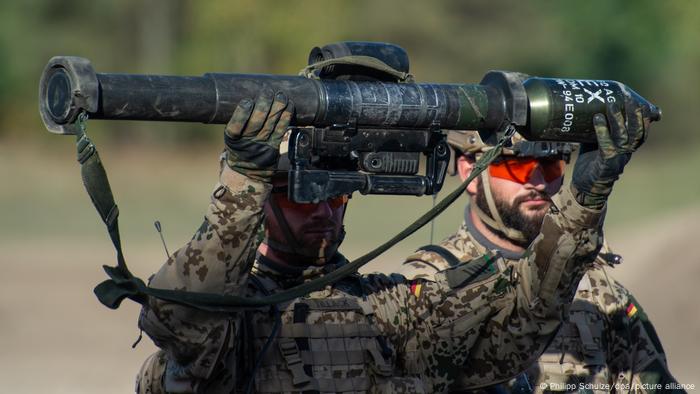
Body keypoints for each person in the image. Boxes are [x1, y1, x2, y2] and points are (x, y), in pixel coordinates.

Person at [134, 87, 610, 394]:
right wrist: (243, 182)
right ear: (262, 201)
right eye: (303, 196)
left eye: (337, 194)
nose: (323, 211)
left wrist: (582, 203)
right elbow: (178, 315)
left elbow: (521, 323)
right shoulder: (235, 324)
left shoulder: (386, 309)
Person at [399, 99, 680, 393]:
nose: (537, 182)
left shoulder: (597, 289)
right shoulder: (430, 283)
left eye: (550, 164)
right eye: (517, 166)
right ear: (470, 170)